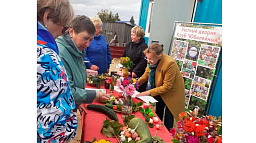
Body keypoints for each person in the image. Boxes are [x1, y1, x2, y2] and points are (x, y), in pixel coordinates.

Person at [37, 0, 77, 142]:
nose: (62, 34)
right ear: (46, 16)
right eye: (64, 27)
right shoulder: (45, 57)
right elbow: (54, 129)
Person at [56, 15, 110, 109]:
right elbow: (67, 91)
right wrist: (95, 94)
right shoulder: (61, 53)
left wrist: (77, 102)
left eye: (90, 40)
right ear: (71, 32)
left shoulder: (76, 50)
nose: (88, 44)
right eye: (85, 38)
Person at [136, 43, 185, 131]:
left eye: (150, 59)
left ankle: (168, 134)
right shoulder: (151, 61)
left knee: (168, 116)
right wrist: (136, 83)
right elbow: (146, 74)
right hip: (159, 90)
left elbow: (167, 87)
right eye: (147, 58)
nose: (148, 61)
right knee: (158, 112)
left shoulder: (170, 64)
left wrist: (147, 92)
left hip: (172, 93)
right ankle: (158, 131)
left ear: (159, 56)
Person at [122, 25, 148, 92]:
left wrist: (135, 72)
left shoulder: (144, 47)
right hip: (128, 73)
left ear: (139, 36)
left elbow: (143, 61)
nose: (131, 37)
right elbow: (124, 57)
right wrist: (122, 67)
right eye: (131, 35)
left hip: (138, 75)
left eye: (133, 35)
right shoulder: (128, 45)